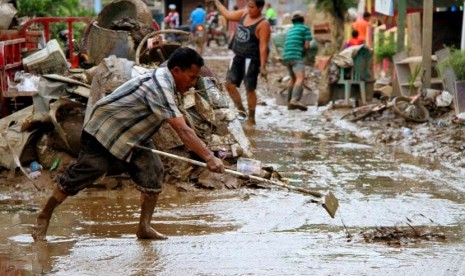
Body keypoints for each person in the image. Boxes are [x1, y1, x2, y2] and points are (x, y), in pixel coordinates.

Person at [31, 47, 225, 241]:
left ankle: (144, 227)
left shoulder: (170, 82)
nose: (193, 84)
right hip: (104, 129)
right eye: (191, 78)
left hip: (133, 135)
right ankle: (44, 216)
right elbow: (182, 130)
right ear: (176, 71)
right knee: (89, 170)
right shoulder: (159, 86)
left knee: (153, 171)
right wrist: (208, 157)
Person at [208, 0, 271, 125]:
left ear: (260, 8)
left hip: (252, 59)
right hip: (238, 56)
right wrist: (217, 2)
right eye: (248, 6)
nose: (249, 9)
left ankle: (252, 118)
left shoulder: (263, 24)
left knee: (250, 88)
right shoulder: (244, 14)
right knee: (229, 84)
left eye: (252, 7)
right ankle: (241, 111)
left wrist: (263, 66)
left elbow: (263, 46)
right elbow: (228, 15)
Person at [282, 11, 312, 111]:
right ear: (302, 20)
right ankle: (294, 100)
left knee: (293, 79)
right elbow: (307, 46)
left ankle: (289, 103)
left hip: (286, 56)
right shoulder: (305, 28)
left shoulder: (290, 30)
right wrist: (304, 54)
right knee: (300, 78)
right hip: (296, 56)